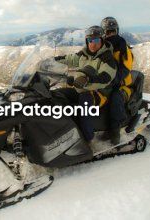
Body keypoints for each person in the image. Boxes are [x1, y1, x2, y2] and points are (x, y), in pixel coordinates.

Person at [54, 26, 117, 147]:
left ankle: (88, 140)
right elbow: (70, 59)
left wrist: (87, 80)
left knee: (84, 103)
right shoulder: (84, 54)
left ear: (102, 41)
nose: (93, 44)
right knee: (59, 94)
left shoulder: (107, 58)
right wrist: (52, 61)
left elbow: (106, 78)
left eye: (96, 40)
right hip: (81, 88)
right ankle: (62, 131)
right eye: (90, 41)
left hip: (100, 92)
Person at [100, 17, 134, 145]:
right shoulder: (101, 47)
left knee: (115, 98)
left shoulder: (122, 46)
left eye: (113, 31)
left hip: (121, 85)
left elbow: (125, 68)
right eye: (108, 32)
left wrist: (113, 80)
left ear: (117, 31)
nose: (111, 35)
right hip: (104, 83)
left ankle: (115, 132)